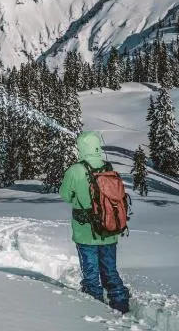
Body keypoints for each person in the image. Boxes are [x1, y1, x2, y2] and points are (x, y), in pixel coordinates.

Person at [59, 131, 130, 314]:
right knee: (110, 271)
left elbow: (65, 195)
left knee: (91, 276)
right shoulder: (108, 167)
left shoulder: (75, 170)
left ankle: (96, 313)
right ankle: (121, 304)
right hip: (109, 230)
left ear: (81, 147)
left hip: (86, 233)